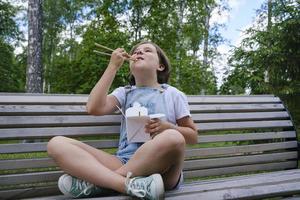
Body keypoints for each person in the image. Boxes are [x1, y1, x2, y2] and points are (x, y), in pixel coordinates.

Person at [47, 41, 198, 200]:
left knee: (173, 137)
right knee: (56, 144)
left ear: (160, 66)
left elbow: (193, 136)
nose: (139, 52)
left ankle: (101, 183)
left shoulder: (173, 94)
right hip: (123, 162)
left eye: (147, 51)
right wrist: (112, 67)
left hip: (162, 171)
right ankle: (127, 185)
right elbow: (93, 108)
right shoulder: (124, 93)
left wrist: (167, 127)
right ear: (130, 65)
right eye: (136, 51)